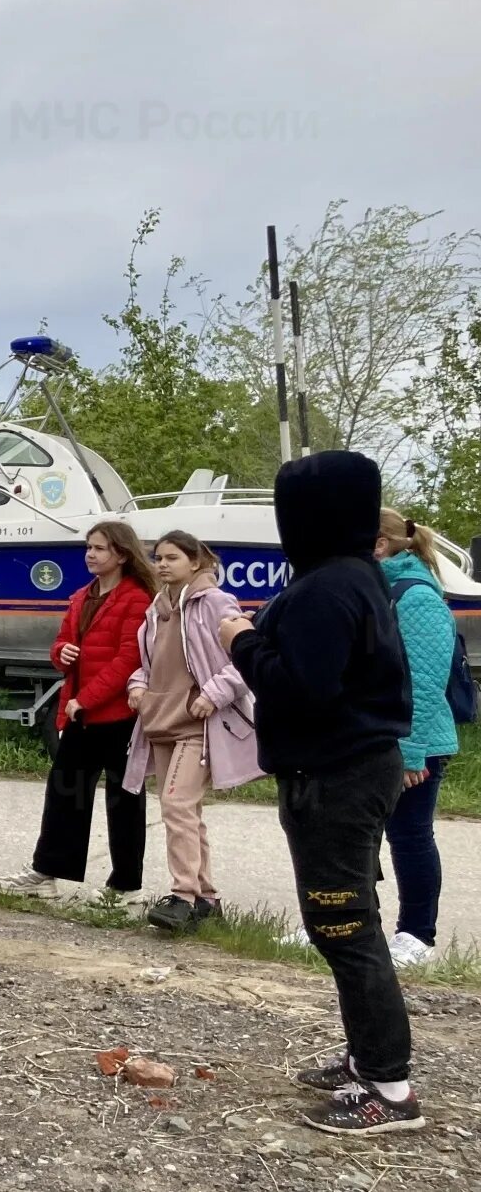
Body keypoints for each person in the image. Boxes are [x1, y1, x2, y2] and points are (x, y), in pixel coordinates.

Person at [223, 450, 423, 1136]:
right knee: (346, 921)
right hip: (354, 767)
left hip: (336, 774)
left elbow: (301, 691)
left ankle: (391, 1089)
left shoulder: (326, 588)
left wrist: (240, 639)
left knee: (344, 927)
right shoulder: (353, 576)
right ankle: (368, 1057)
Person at [0, 522, 155, 902]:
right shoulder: (81, 597)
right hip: (80, 714)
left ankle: (125, 885)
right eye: (89, 547)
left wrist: (86, 699)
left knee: (125, 800)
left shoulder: (136, 599)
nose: (90, 554)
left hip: (118, 716)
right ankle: (48, 872)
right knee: (65, 793)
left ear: (121, 554)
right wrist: (61, 654)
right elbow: (61, 644)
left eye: (100, 548)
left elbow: (128, 660)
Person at [122, 531, 264, 933]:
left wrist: (214, 694)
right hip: (161, 721)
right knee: (187, 812)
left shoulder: (215, 603)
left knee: (176, 805)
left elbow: (246, 655)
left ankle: (181, 896)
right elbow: (152, 664)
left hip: (199, 724)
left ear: (196, 562)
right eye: (157, 558)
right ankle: (206, 897)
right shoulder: (157, 608)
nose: (162, 564)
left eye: (172, 558)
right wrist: (137, 685)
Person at [374, 508, 462, 968]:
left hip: (416, 744)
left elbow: (424, 684)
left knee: (409, 836)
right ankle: (354, 926)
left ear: (380, 545)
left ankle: (416, 935)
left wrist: (410, 754)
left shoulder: (417, 596)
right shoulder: (375, 590)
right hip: (375, 739)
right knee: (362, 836)